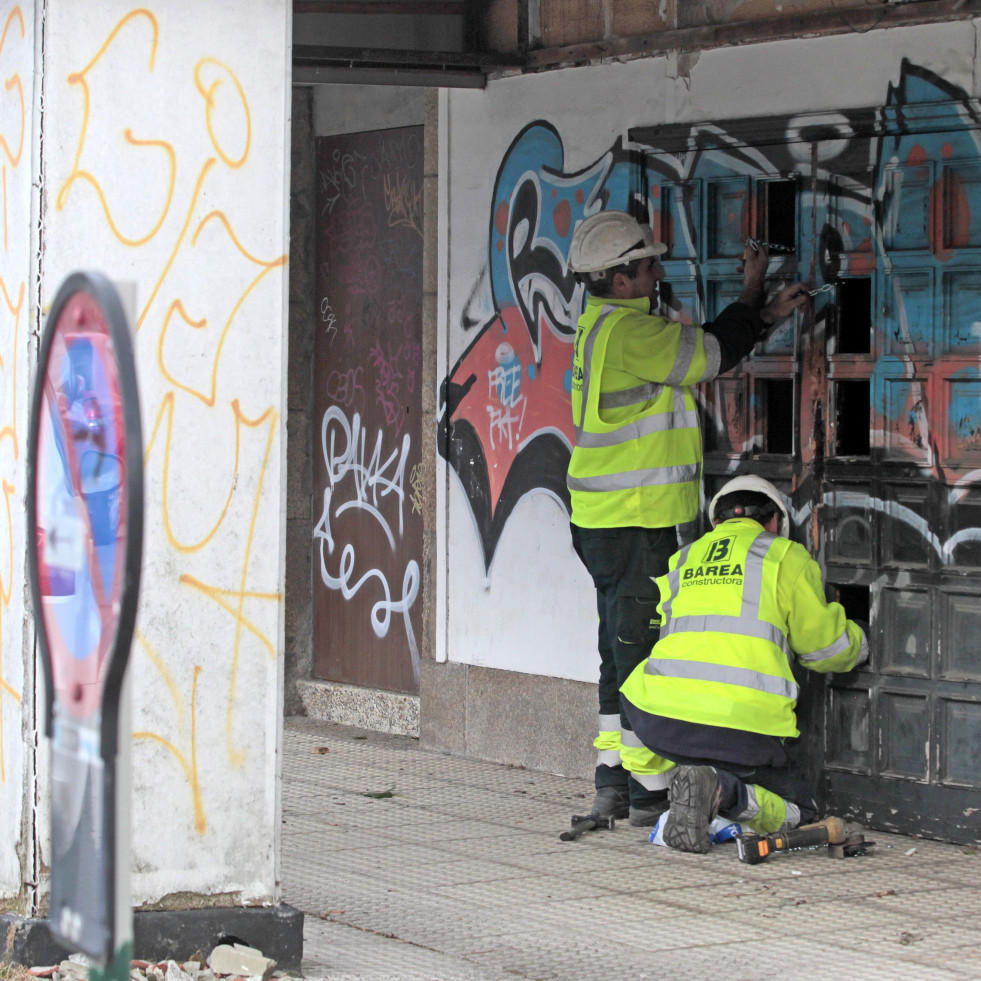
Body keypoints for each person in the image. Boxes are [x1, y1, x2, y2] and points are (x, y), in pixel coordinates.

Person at [566, 210, 809, 827]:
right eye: (649, 266)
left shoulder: (600, 327)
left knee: (616, 650)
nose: (658, 275)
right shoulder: (630, 334)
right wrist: (756, 297)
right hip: (633, 520)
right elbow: (708, 351)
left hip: (606, 518)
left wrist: (761, 308)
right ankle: (649, 790)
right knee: (638, 653)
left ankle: (613, 780)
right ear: (619, 280)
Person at [620, 474, 870, 851]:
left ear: (716, 522)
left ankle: (657, 795)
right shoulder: (786, 555)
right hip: (742, 731)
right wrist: (864, 640)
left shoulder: (683, 558)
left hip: (660, 724)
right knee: (800, 813)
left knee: (637, 685)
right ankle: (721, 791)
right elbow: (825, 650)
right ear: (774, 523)